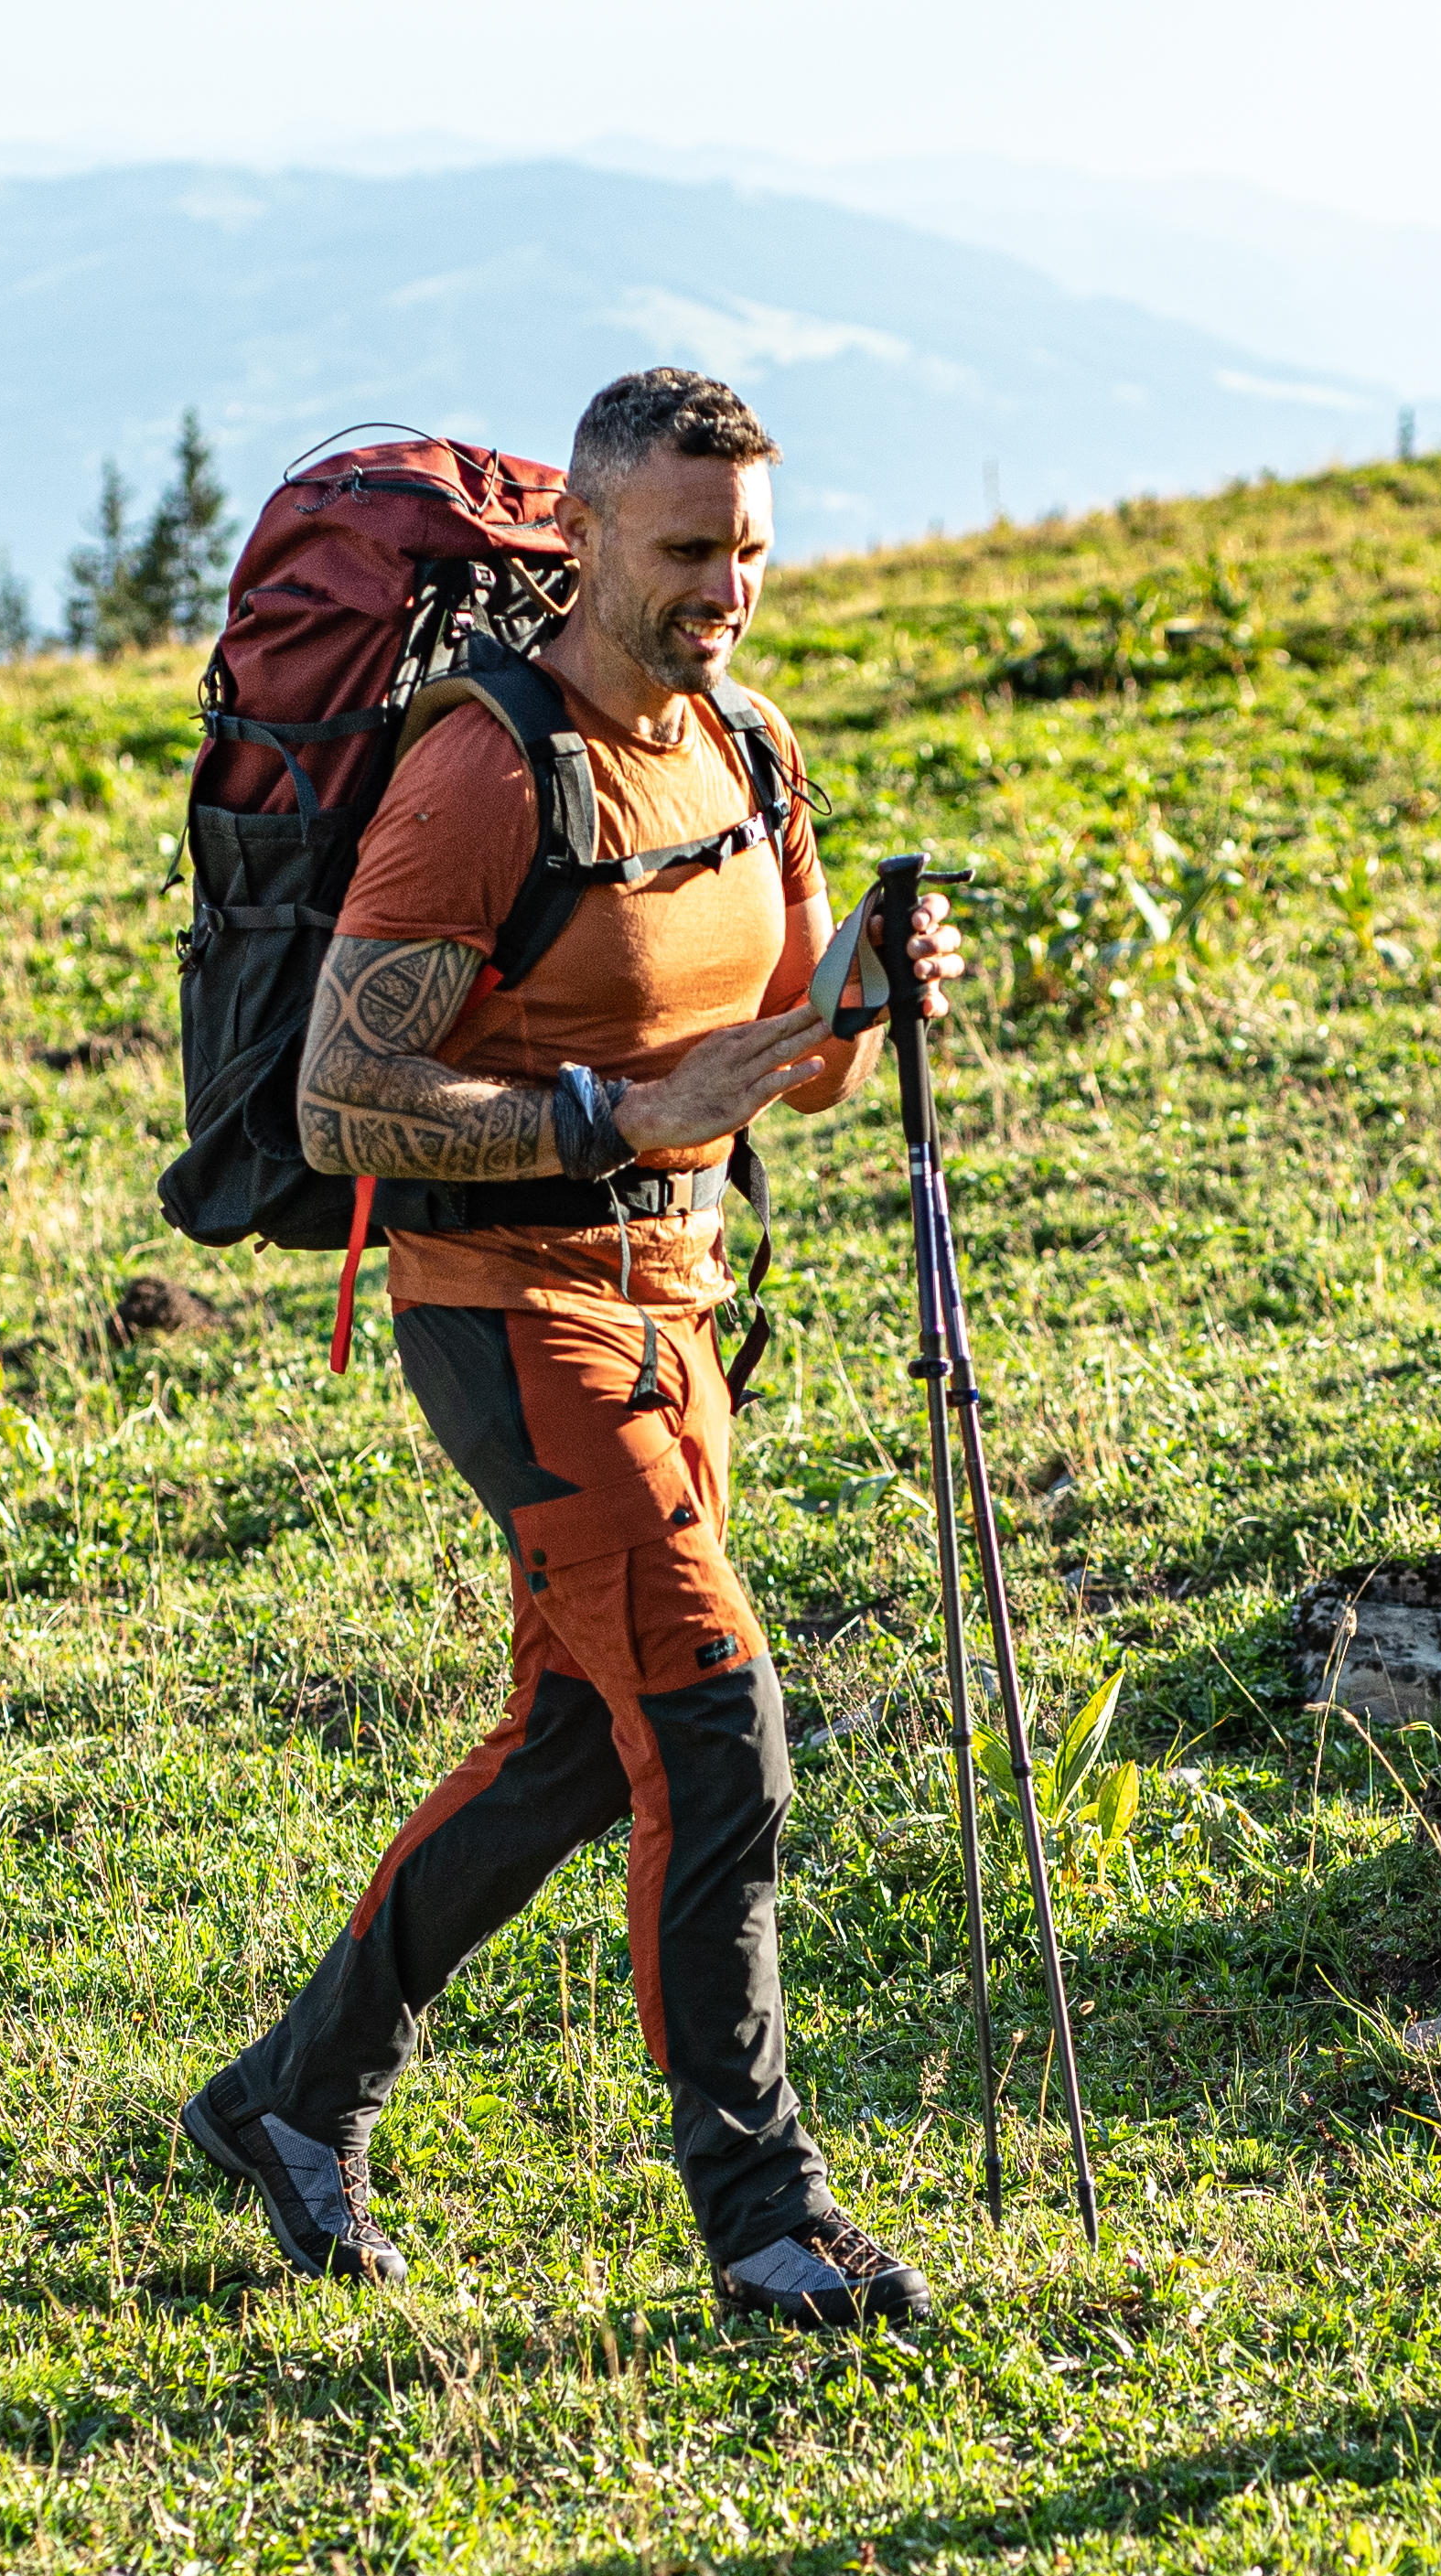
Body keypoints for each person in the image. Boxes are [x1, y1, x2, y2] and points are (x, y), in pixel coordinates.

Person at [178, 366, 962, 2325]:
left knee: (578, 1741)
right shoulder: (483, 774)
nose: (725, 590)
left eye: (751, 552)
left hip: (680, 1300)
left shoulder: (750, 753)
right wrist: (609, 1116)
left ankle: (292, 2094)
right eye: (688, 549)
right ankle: (763, 2213)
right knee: (715, 1733)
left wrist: (869, 991)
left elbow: (791, 1059)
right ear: (587, 538)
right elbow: (341, 1104)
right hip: (508, 1309)